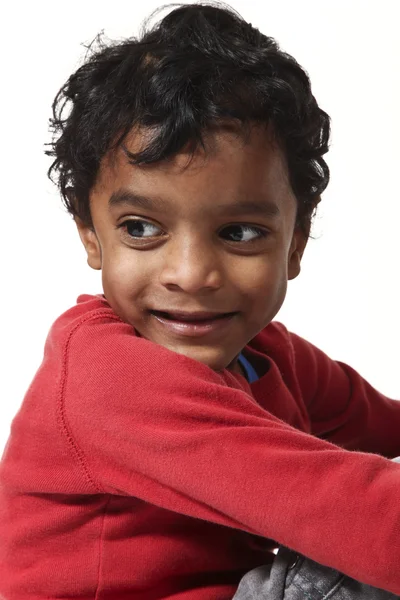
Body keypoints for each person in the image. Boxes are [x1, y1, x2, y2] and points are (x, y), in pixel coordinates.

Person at [0, 3, 399, 599]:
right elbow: (367, 518)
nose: (190, 274)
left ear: (295, 244)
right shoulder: (110, 379)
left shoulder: (266, 356)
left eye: (238, 233)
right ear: (90, 233)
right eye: (140, 228)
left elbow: (386, 429)